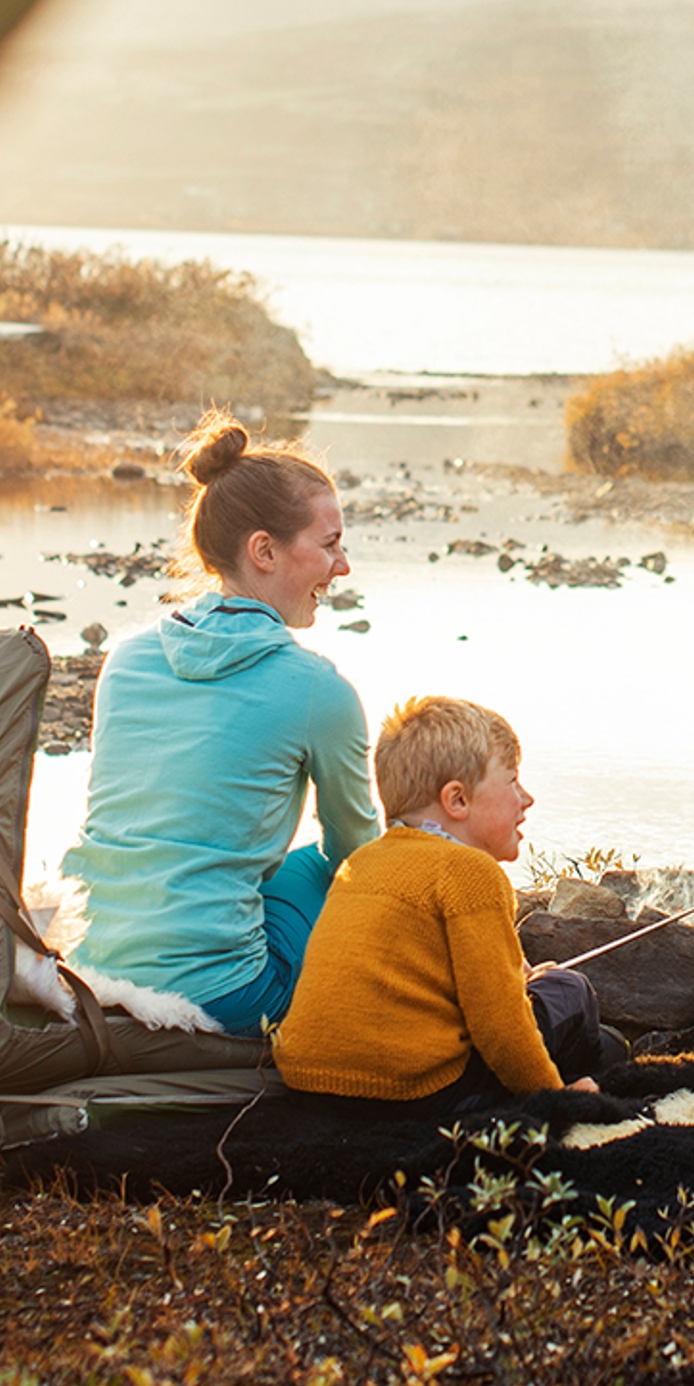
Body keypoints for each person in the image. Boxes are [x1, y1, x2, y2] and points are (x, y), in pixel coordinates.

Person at [60, 414, 381, 1036]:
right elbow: (358, 857)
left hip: (93, 968)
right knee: (319, 863)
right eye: (331, 543)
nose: (342, 566)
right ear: (264, 550)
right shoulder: (318, 690)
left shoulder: (125, 659)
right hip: (228, 997)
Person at [271, 696, 603, 1116]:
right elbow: (501, 1029)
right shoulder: (471, 872)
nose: (527, 798)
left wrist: (519, 975)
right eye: (514, 781)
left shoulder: (363, 861)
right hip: (411, 1094)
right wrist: (555, 1100)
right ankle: (584, 1092)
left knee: (542, 991)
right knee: (570, 990)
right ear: (457, 801)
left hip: (311, 1085)